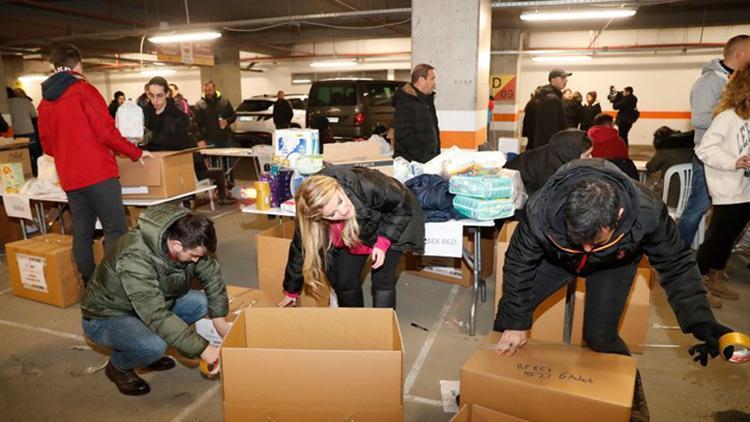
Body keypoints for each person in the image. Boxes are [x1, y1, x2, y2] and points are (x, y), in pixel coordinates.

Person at [493, 159, 733, 419]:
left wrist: (700, 321)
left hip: (614, 265)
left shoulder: (647, 212)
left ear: (618, 215)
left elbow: (676, 265)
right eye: (580, 238)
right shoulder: (540, 209)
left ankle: (628, 398)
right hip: (557, 260)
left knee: (600, 337)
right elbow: (518, 263)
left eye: (595, 239)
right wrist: (517, 322)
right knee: (508, 317)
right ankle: (488, 384)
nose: (587, 248)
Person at [80, 205, 229, 395]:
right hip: (107, 315)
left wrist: (219, 320)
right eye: (193, 256)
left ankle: (147, 352)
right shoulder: (135, 257)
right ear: (176, 245)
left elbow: (212, 276)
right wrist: (203, 348)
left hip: (147, 304)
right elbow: (155, 313)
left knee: (202, 303)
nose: (195, 261)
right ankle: (119, 367)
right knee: (152, 345)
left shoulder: (187, 236)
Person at [38, 43, 152, 283]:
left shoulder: (44, 103)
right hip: (98, 174)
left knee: (82, 232)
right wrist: (136, 153)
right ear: (78, 65)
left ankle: (90, 283)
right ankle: (113, 286)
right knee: (115, 230)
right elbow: (106, 133)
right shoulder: (84, 91)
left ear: (54, 68)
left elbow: (48, 147)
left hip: (70, 178)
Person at [278, 166, 425, 309]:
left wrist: (383, 242)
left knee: (382, 279)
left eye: (340, 201)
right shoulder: (311, 209)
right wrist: (291, 291)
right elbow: (300, 249)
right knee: (344, 281)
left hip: (395, 216)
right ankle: (355, 324)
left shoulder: (368, 184)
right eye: (331, 214)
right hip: (359, 224)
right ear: (318, 218)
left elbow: (401, 206)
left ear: (337, 187)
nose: (343, 211)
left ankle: (382, 328)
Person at [678, 34, 750, 249]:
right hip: (709, 158)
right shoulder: (710, 81)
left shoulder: (736, 80)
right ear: (740, 54)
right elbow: (698, 119)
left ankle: (712, 261)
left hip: (732, 158)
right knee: (698, 208)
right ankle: (676, 255)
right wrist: (731, 113)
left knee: (727, 214)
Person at [694, 64, 750, 304]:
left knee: (729, 238)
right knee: (717, 237)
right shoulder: (727, 117)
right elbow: (704, 150)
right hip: (727, 187)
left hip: (746, 188)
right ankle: (694, 287)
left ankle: (715, 278)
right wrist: (733, 162)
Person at [142, 76, 236, 205]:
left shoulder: (179, 116)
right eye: (151, 96)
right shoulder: (143, 114)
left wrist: (153, 136)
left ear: (167, 94)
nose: (155, 100)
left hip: (176, 169)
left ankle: (224, 191)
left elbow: (179, 143)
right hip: (152, 171)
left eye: (159, 95)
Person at [504, 128, 592, 195]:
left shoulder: (555, 155)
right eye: (587, 155)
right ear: (572, 153)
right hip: (509, 194)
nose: (591, 158)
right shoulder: (549, 169)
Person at [393, 63, 440, 163]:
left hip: (429, 162)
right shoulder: (405, 101)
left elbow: (433, 131)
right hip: (413, 164)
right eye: (432, 78)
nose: (435, 83)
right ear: (421, 80)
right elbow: (403, 135)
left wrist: (436, 157)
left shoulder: (427, 101)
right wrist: (423, 157)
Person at [194, 80, 237, 181]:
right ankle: (214, 185)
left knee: (228, 162)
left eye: (210, 90)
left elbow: (233, 115)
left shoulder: (225, 102)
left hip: (225, 138)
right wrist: (200, 140)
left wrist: (227, 121)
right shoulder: (199, 105)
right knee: (212, 165)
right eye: (206, 90)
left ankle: (229, 183)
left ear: (214, 88)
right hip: (209, 140)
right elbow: (195, 124)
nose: (208, 92)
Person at [645, 126, 695, 208]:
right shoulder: (690, 149)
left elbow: (650, 167)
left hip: (670, 199)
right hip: (692, 200)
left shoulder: (664, 151)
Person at [6, 86, 41, 176]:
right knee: (35, 153)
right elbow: (34, 115)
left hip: (15, 133)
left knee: (21, 155)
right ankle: (37, 172)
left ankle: (24, 172)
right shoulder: (25, 101)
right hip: (29, 130)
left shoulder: (6, 103)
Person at [533, 69, 570, 149]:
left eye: (566, 78)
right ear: (553, 80)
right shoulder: (551, 99)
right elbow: (550, 127)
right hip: (549, 145)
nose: (566, 80)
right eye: (562, 78)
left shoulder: (552, 96)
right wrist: (556, 146)